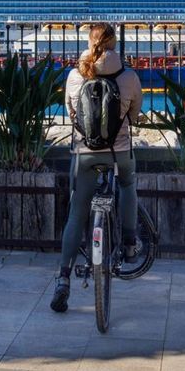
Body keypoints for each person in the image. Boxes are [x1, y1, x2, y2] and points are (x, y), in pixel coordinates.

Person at [50, 22, 143, 313]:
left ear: (89, 42)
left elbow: (71, 112)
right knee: (127, 184)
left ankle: (63, 278)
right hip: (119, 153)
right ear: (114, 43)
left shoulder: (75, 75)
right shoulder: (129, 76)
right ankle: (129, 244)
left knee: (77, 211)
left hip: (85, 154)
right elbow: (134, 115)